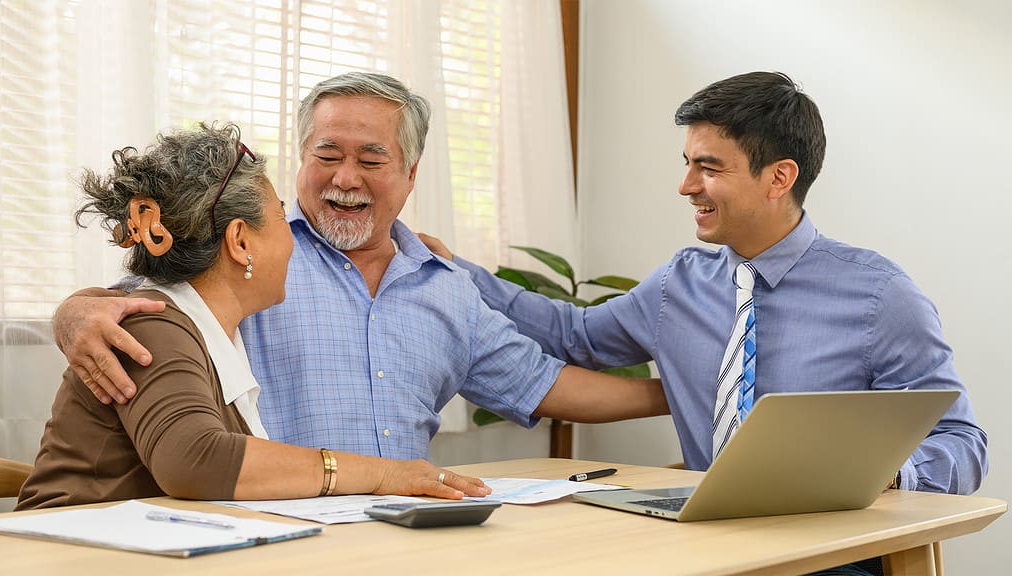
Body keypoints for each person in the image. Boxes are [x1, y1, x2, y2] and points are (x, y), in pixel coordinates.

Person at [423, 71, 988, 574]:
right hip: (705, 541)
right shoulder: (680, 283)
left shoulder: (879, 295)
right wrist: (453, 270)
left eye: (708, 167)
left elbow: (963, 445)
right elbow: (575, 336)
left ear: (779, 177)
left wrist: (883, 471)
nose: (686, 186)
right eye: (688, 164)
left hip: (831, 554)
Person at [50, 72, 670, 462]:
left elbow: (543, 382)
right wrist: (74, 310)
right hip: (271, 532)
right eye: (327, 154)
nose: (345, 179)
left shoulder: (447, 287)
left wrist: (684, 395)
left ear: (411, 173)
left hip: (406, 537)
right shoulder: (249, 254)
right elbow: (143, 296)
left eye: (371, 159)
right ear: (300, 158)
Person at [18, 123, 493, 510]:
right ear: (241, 242)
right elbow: (194, 459)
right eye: (282, 217)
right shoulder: (153, 327)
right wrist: (386, 473)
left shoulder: (208, 330)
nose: (293, 240)